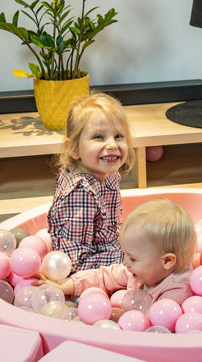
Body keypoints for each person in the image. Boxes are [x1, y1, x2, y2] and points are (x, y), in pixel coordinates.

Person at [41, 198, 197, 305]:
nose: (124, 262)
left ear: (167, 261)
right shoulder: (142, 269)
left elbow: (155, 325)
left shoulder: (177, 293)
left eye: (133, 258)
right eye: (126, 255)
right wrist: (64, 286)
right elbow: (103, 276)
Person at [47, 91, 135, 272]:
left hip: (106, 247)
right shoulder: (81, 193)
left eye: (119, 136)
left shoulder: (106, 172)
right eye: (99, 137)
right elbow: (75, 263)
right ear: (73, 148)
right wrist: (128, 259)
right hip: (89, 268)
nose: (112, 145)